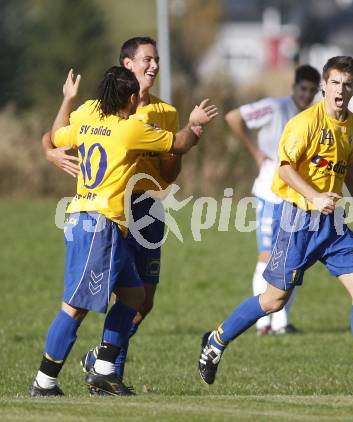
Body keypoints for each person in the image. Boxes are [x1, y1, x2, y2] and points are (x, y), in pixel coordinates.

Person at [198, 56, 353, 395]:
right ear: (324, 86)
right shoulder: (303, 124)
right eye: (335, 83)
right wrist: (314, 197)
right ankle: (215, 340)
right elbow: (284, 169)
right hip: (298, 220)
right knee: (272, 301)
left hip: (332, 224)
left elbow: (348, 162)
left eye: (347, 84)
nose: (340, 90)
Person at [30, 66, 217, 397]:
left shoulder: (87, 116)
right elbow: (180, 142)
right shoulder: (130, 129)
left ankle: (103, 369)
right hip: (98, 224)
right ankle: (45, 382)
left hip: (90, 220)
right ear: (131, 98)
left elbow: (57, 133)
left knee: (134, 296)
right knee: (74, 307)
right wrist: (196, 123)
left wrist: (68, 99)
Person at [225, 65, 320, 335]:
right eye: (303, 89)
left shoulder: (314, 118)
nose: (306, 95)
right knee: (266, 256)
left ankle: (281, 323)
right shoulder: (275, 108)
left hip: (298, 198)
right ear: (294, 87)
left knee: (292, 258)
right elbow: (234, 117)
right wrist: (255, 151)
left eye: (312, 91)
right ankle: (263, 322)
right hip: (270, 192)